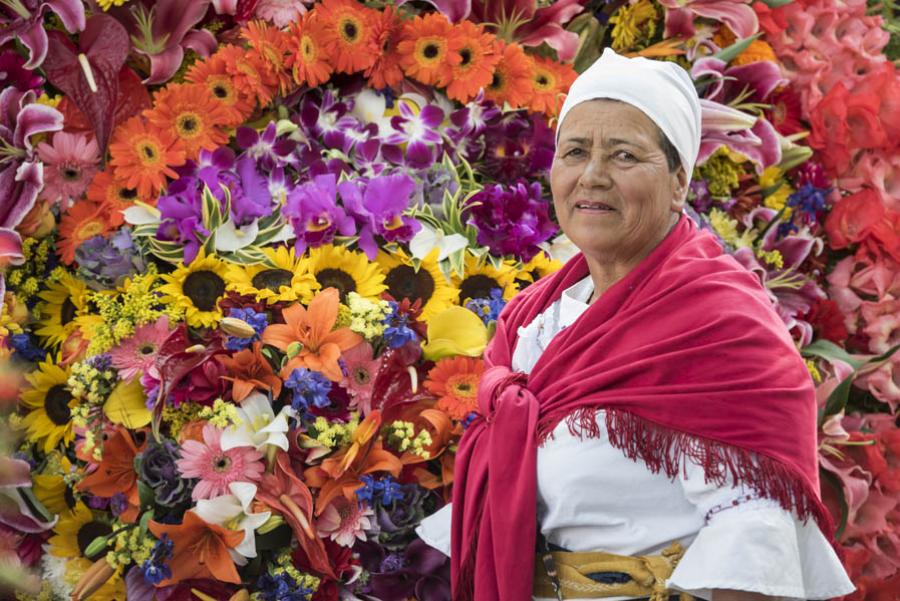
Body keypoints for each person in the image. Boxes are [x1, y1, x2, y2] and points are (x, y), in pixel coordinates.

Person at [416, 48, 855, 601]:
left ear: (677, 182)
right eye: (575, 151)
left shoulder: (723, 324)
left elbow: (755, 533)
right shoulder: (532, 318)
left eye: (624, 156)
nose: (592, 176)